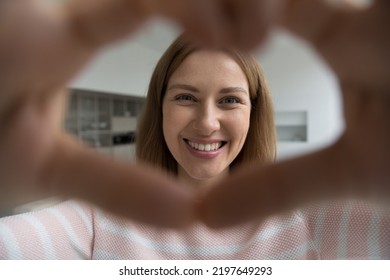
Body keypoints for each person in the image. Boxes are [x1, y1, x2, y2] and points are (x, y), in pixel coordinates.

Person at [0, 0, 389, 246]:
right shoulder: (95, 222)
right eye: (186, 97)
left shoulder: (312, 220)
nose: (207, 122)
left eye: (230, 100)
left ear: (255, 113)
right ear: (160, 108)